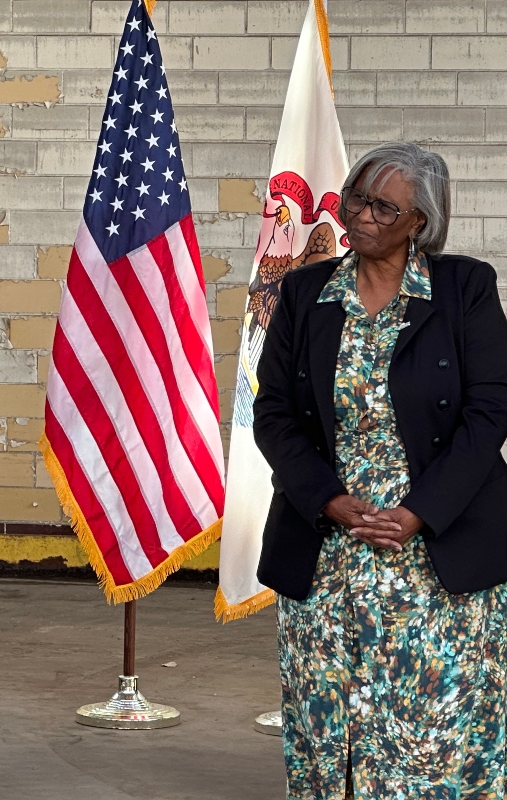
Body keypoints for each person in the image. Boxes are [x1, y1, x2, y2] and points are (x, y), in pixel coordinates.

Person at [254, 141, 507, 799]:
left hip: (438, 558)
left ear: (418, 220)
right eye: (354, 198)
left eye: (381, 205)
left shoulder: (464, 288)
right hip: (328, 556)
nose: (359, 215)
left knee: (439, 738)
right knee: (330, 727)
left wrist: (419, 511)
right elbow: (274, 414)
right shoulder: (307, 291)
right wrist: (329, 501)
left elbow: (489, 412)